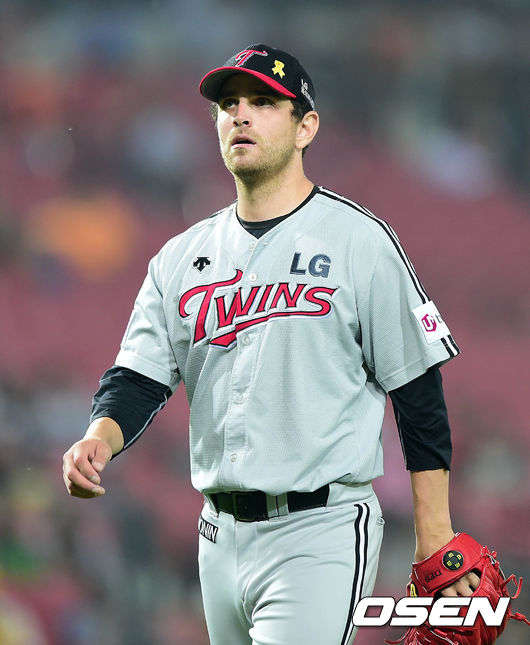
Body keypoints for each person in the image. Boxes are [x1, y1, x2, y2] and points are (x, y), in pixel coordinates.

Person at [63, 44, 479, 645]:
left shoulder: (359, 241)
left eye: (263, 102)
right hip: (217, 535)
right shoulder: (180, 257)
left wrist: (434, 532)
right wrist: (98, 439)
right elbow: (138, 377)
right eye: (229, 104)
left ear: (306, 127)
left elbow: (418, 391)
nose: (240, 114)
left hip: (319, 530)